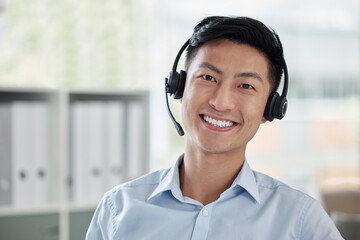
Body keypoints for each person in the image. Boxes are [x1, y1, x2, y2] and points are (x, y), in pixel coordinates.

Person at [86, 16, 343, 239]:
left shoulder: (300, 220)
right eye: (208, 78)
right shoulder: (117, 210)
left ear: (270, 109)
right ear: (179, 87)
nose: (221, 102)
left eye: (245, 86)